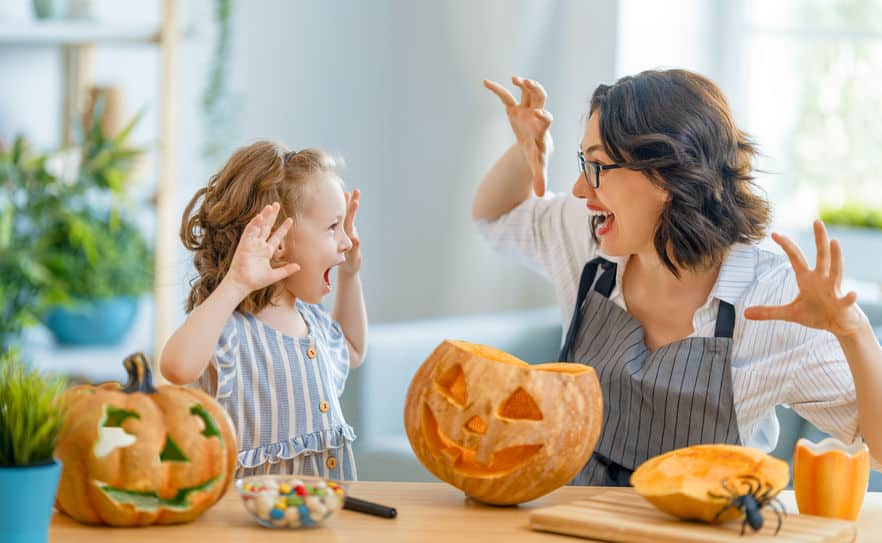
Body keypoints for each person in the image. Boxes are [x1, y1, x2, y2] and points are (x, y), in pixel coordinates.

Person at [473, 70, 882, 485]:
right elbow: (495, 217)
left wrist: (854, 331)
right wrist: (526, 154)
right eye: (584, 163)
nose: (580, 189)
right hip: (574, 522)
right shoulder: (590, 238)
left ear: (667, 176)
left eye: (597, 166)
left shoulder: (768, 298)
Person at [160, 141, 367, 480]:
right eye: (333, 227)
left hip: (323, 520)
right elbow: (177, 367)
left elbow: (354, 349)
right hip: (251, 526)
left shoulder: (312, 322)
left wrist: (350, 273)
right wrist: (236, 284)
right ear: (278, 240)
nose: (346, 241)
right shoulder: (232, 333)